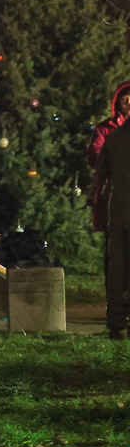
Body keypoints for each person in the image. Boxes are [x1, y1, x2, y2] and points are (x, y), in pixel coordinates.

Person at [94, 118, 130, 340]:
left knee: (118, 267)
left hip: (119, 211)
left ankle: (116, 321)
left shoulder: (114, 138)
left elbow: (101, 173)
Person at [88, 82, 130, 232]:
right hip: (112, 193)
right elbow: (94, 156)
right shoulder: (105, 128)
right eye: (124, 99)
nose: (128, 103)